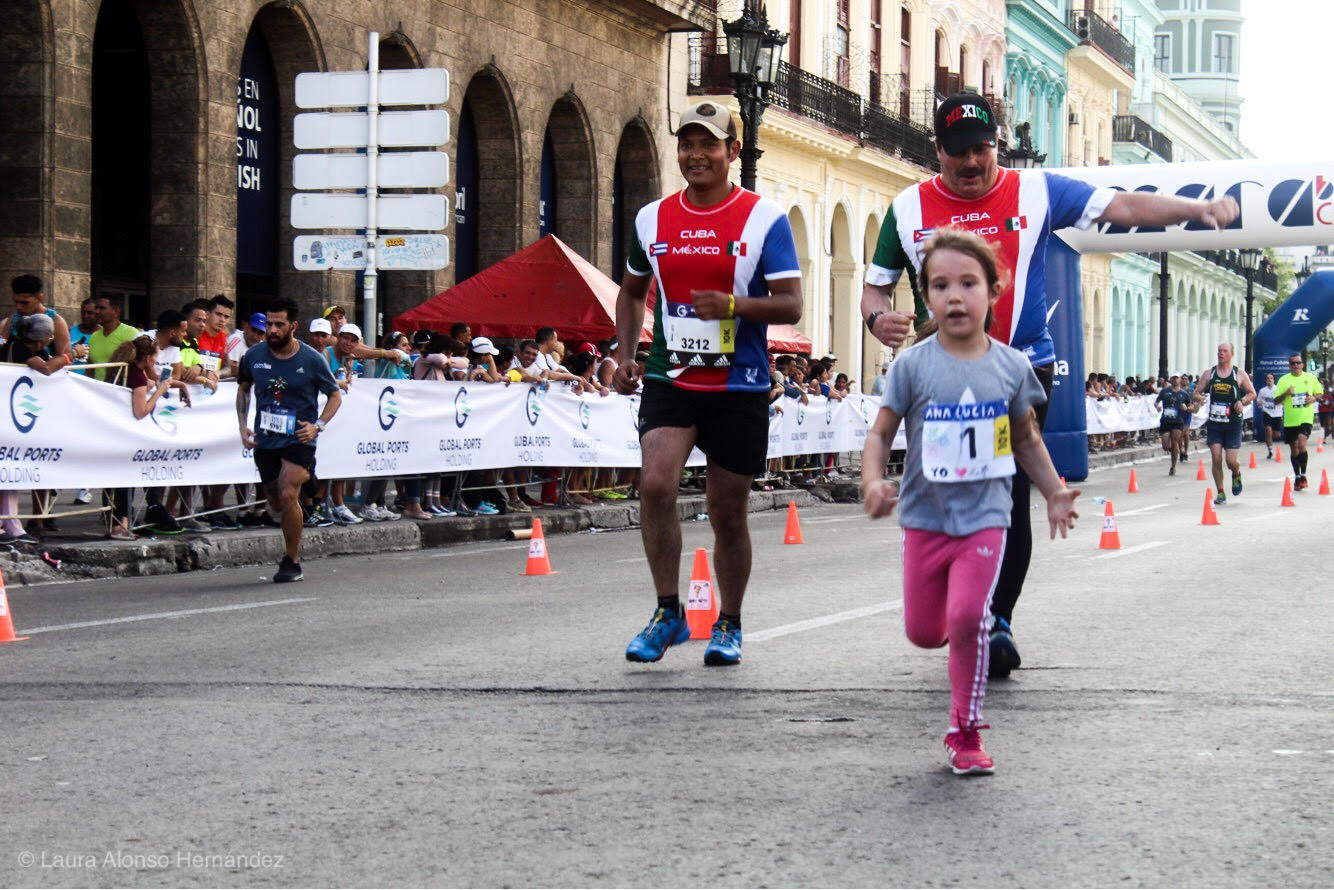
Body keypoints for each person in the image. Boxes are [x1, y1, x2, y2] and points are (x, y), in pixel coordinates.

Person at [860, 91, 1240, 678]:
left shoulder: (1036, 192)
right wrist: (875, 318)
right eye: (957, 152)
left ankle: (997, 619)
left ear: (997, 147)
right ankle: (955, 602)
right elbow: (875, 288)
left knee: (1007, 495)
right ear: (937, 152)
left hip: (1022, 367)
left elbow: (1126, 207)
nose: (971, 164)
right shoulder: (907, 209)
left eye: (982, 150)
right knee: (946, 491)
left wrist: (1196, 211)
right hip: (940, 374)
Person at [861, 229, 1078, 775]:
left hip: (987, 518)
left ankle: (966, 730)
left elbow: (1026, 439)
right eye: (940, 285)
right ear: (927, 299)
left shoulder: (1011, 367)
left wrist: (1053, 492)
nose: (954, 296)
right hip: (925, 520)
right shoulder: (912, 366)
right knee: (924, 631)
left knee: (968, 619)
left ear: (993, 292)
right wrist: (871, 482)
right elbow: (881, 433)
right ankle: (951, 648)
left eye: (967, 283)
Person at [612, 100, 803, 666]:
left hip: (738, 386)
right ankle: (668, 612)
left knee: (727, 512)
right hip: (671, 377)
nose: (696, 154)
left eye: (709, 144)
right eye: (687, 143)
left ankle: (730, 622)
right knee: (655, 484)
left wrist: (735, 305)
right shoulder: (652, 218)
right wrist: (625, 354)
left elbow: (792, 304)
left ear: (732, 152)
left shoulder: (764, 219)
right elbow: (630, 291)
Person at [237, 298, 342, 583]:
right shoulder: (253, 356)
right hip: (267, 437)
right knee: (275, 500)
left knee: (287, 492)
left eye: (279, 324)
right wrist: (242, 426)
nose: (272, 330)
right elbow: (244, 390)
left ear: (293, 326)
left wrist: (318, 426)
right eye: (269, 324)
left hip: (299, 437)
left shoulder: (311, 359)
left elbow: (335, 395)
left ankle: (292, 561)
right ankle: (309, 478)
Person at [110, 334, 193, 540]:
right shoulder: (136, 375)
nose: (156, 363)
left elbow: (152, 382)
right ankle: (120, 525)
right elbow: (141, 411)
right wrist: (159, 392)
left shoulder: (128, 369)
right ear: (147, 358)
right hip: (125, 434)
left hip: (116, 432)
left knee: (119, 480)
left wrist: (180, 385)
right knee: (122, 481)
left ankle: (121, 522)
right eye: (155, 359)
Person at [1188, 342, 1255, 506]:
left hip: (1233, 423)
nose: (1221, 353)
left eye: (1224, 351)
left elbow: (1252, 393)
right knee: (1216, 458)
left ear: (1232, 354)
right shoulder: (1209, 373)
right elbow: (1195, 392)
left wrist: (1242, 401)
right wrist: (1199, 398)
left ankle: (1236, 473)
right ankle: (1220, 492)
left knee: (1231, 461)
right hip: (1215, 424)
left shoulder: (1238, 373)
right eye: (1219, 351)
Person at [1272, 353, 1323, 490]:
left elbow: (1319, 393)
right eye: (1293, 363)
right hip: (1290, 421)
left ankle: (1304, 475)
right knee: (1294, 450)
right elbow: (1276, 400)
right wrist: (1286, 394)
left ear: (1303, 364)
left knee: (1301, 443)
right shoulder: (1283, 380)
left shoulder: (1310, 378)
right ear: (1289, 366)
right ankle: (1297, 476)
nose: (1296, 365)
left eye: (1298, 363)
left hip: (1305, 418)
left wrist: (1313, 399)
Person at [87, 295, 140, 381]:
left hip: (121, 390)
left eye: (102, 308)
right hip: (97, 391)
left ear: (116, 312)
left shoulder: (131, 333)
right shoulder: (94, 337)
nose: (97, 311)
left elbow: (140, 365)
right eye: (96, 308)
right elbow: (90, 368)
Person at [1154, 375, 1191, 475]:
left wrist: (1186, 408)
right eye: (1173, 378)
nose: (1175, 380)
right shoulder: (1164, 391)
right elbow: (1156, 402)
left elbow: (1190, 406)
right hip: (1166, 421)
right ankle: (1175, 451)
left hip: (1178, 421)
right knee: (1166, 446)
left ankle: (1173, 467)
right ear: (1170, 380)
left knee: (1175, 442)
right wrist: (1157, 406)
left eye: (1177, 378)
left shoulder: (1184, 394)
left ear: (1179, 380)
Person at [1256, 373, 1282, 458]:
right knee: (1268, 430)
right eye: (1268, 378)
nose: (1269, 380)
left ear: (1274, 380)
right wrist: (1259, 403)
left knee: (1277, 435)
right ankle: (1270, 450)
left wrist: (1280, 402)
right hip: (1267, 413)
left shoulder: (1278, 389)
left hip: (1277, 414)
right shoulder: (1262, 390)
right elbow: (1258, 401)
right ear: (1266, 380)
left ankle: (1270, 438)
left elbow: (1283, 401)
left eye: (1271, 378)